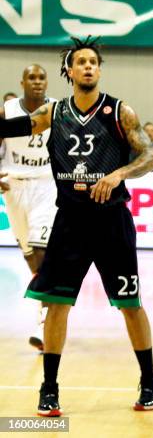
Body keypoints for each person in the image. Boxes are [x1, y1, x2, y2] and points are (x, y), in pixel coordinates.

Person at [0, 36, 153, 416]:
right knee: (56, 304)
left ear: (99, 69)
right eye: (81, 62)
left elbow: (149, 156)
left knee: (130, 305)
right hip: (70, 221)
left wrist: (118, 174)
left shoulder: (120, 112)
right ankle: (49, 388)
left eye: (94, 62)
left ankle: (150, 378)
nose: (89, 67)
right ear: (69, 71)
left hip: (112, 221)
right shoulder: (52, 114)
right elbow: (10, 129)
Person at [0, 65, 57, 351]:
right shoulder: (8, 110)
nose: (37, 82)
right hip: (13, 185)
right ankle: (48, 289)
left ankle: (44, 320)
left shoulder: (56, 110)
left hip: (46, 185)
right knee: (29, 255)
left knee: (41, 251)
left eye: (41, 77)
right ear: (22, 82)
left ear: (47, 82)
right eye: (31, 78)